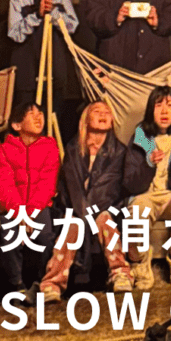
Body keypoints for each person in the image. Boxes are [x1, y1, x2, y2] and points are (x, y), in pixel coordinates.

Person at [40, 100, 132, 299]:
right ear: (86, 119)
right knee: (72, 224)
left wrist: (88, 215)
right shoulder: (73, 149)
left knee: (105, 220)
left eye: (107, 112)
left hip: (106, 208)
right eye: (97, 111)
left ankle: (121, 273)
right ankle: (52, 284)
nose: (103, 115)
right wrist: (80, 215)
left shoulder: (119, 151)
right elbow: (70, 188)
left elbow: (108, 190)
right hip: (76, 210)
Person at [123, 85, 171, 289]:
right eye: (158, 105)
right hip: (147, 196)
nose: (164, 111)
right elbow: (130, 183)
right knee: (137, 207)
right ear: (151, 110)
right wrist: (148, 163)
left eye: (169, 105)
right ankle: (141, 262)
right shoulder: (140, 137)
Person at [8, 0, 81, 144]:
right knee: (27, 111)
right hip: (28, 61)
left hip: (55, 60)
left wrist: (53, 13)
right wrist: (36, 16)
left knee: (53, 110)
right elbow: (14, 34)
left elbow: (72, 25)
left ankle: (51, 152)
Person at [0, 101, 60, 291]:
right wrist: (19, 212)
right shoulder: (5, 150)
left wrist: (31, 212)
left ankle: (41, 282)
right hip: (12, 207)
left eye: (40, 114)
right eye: (31, 114)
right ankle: (16, 285)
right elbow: (4, 185)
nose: (38, 117)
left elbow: (47, 184)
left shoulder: (50, 147)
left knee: (45, 236)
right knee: (9, 237)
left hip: (38, 206)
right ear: (17, 125)